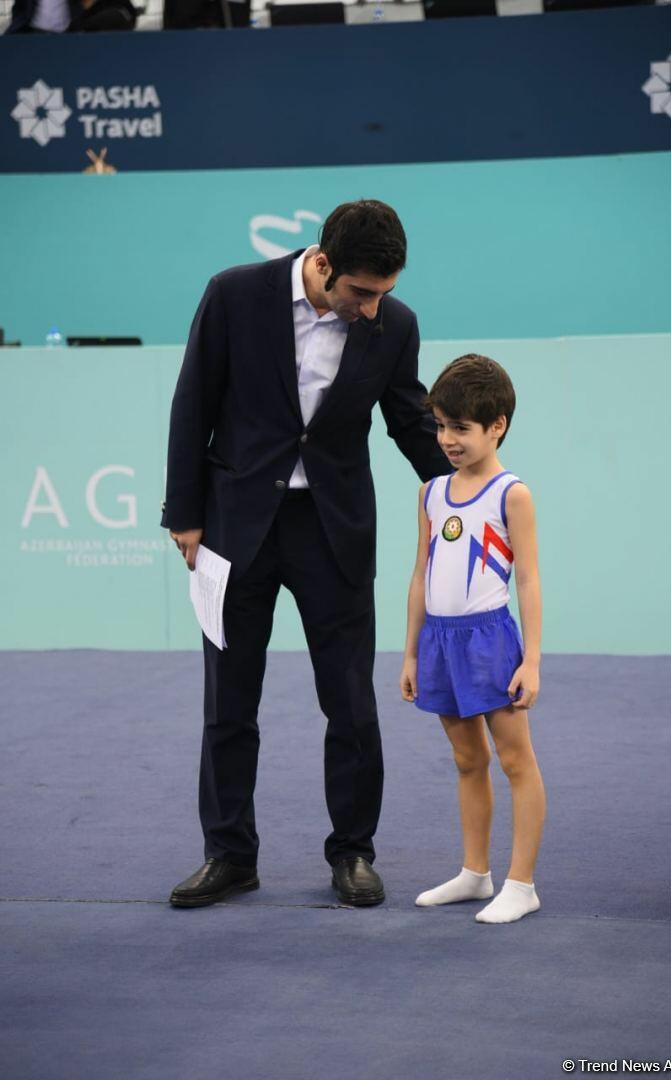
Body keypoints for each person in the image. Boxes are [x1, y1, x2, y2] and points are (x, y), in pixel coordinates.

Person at [163, 199, 447, 908]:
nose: (372, 308)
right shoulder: (233, 294)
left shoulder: (395, 324)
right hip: (236, 528)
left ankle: (353, 853)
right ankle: (230, 856)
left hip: (334, 531)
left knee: (350, 704)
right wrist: (185, 514)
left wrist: (468, 495)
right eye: (361, 293)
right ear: (322, 264)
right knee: (228, 704)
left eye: (383, 294)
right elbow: (193, 402)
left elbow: (409, 420)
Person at [400, 354, 546, 924]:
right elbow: (420, 575)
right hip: (439, 642)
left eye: (460, 428)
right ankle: (475, 872)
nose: (447, 439)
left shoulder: (512, 494)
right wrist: (411, 652)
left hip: (489, 641)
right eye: (440, 426)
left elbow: (528, 580)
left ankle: (522, 883)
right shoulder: (431, 493)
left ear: (497, 425)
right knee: (467, 759)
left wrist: (531, 661)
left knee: (515, 761)